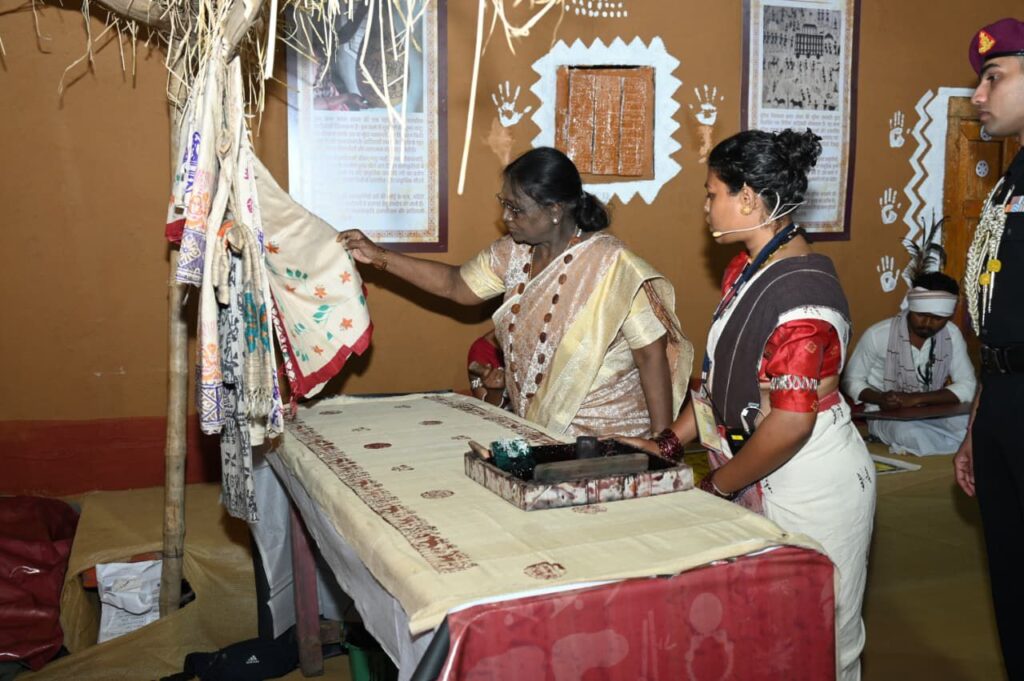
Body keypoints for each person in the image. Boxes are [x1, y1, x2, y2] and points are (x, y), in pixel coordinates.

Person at [620, 129, 875, 681]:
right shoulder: (747, 269)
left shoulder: (802, 299)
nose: (706, 205)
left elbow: (790, 424)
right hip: (757, 464)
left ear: (749, 199)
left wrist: (718, 486)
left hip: (809, 482)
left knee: (821, 637)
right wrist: (670, 442)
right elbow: (719, 380)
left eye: (712, 193)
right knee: (760, 635)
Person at [337, 147, 693, 438]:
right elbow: (455, 285)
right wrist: (378, 256)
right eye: (503, 204)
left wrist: (661, 444)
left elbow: (651, 355)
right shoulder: (513, 252)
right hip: (539, 433)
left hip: (610, 438)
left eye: (516, 209)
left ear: (554, 210)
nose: (506, 217)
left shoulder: (612, 265)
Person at [954, 17, 1024, 679]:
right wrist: (979, 420)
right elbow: (997, 320)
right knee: (1009, 572)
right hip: (1003, 394)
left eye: (994, 77)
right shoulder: (1011, 180)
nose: (978, 94)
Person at [842, 272, 976, 455]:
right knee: (910, 433)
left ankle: (948, 443)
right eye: (921, 315)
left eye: (938, 318)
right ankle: (955, 444)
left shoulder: (951, 334)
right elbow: (850, 381)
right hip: (886, 415)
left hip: (935, 410)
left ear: (949, 317)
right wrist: (880, 399)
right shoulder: (878, 334)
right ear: (911, 307)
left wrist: (917, 399)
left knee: (975, 422)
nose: (927, 323)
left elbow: (968, 385)